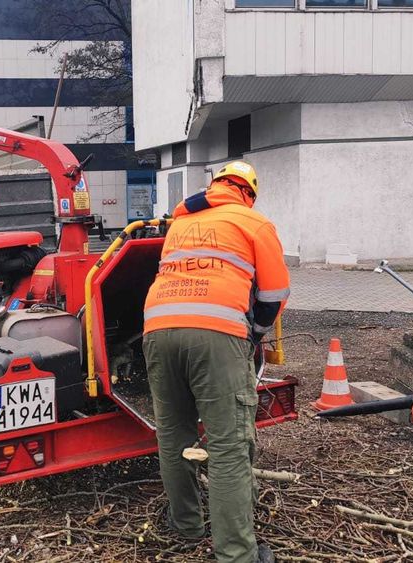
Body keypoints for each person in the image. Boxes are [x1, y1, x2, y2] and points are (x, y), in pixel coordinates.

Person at [143, 160, 289, 563]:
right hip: (217, 335)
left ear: (216, 186)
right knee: (228, 447)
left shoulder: (181, 223)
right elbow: (274, 293)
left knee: (173, 436)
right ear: (248, 192)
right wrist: (254, 334)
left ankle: (185, 524)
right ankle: (237, 554)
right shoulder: (253, 222)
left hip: (157, 330)